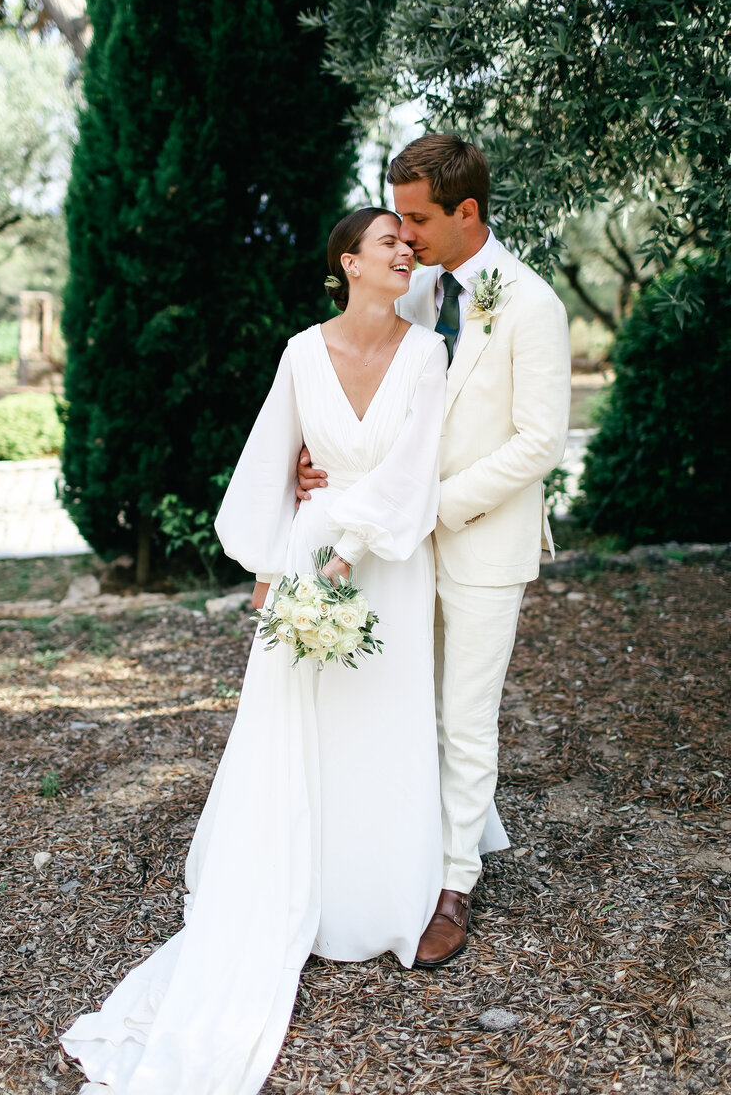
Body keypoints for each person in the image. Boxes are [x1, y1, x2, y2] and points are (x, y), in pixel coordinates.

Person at [61, 207, 505, 1095]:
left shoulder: (427, 352)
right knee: (301, 723)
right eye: (389, 241)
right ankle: (295, 883)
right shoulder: (303, 352)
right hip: (314, 556)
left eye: (406, 242)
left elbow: (413, 468)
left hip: (386, 561)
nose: (406, 249)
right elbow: (269, 457)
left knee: (382, 714)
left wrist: (350, 549)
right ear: (349, 261)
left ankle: (376, 894)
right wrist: (281, 566)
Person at [298, 136, 571, 967]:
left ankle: (453, 885)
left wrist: (434, 507)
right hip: (403, 550)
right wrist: (328, 465)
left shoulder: (531, 305)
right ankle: (412, 851)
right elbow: (386, 403)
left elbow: (540, 442)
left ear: (467, 213)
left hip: (484, 544)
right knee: (408, 704)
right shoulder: (415, 295)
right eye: (397, 220)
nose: (405, 236)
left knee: (467, 718)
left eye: (416, 219)